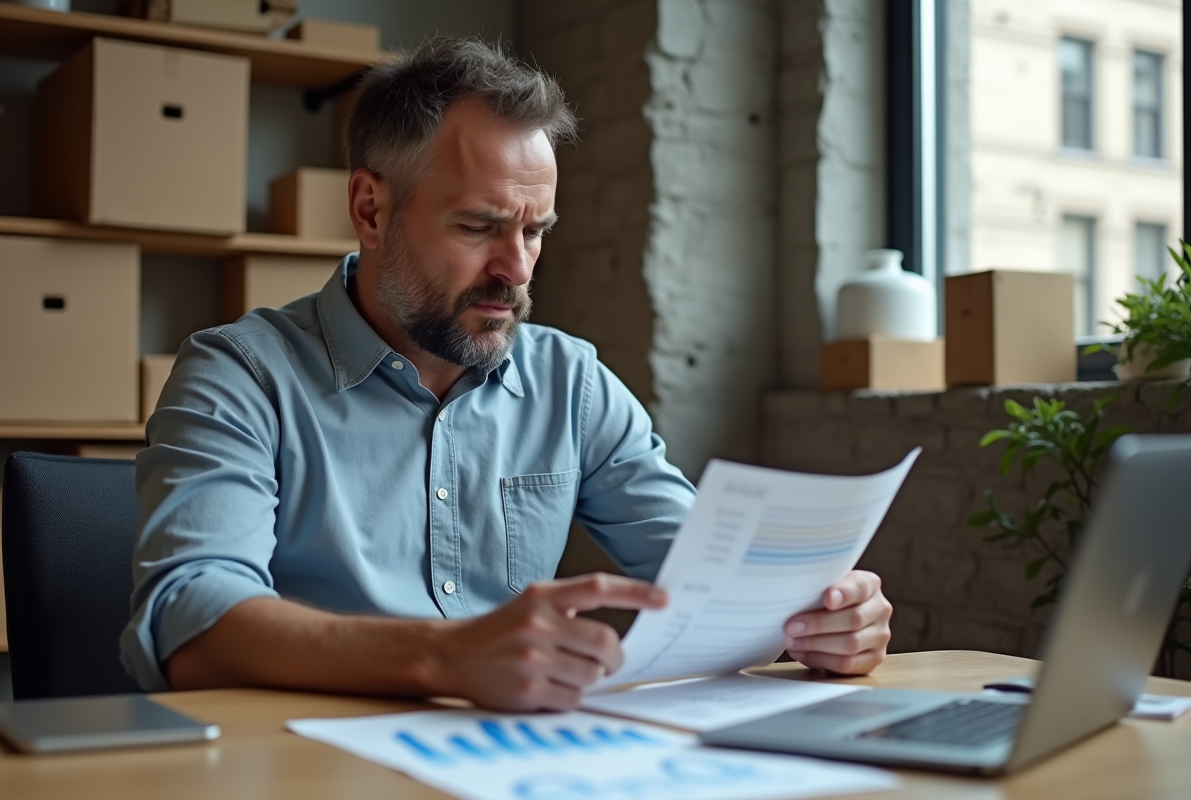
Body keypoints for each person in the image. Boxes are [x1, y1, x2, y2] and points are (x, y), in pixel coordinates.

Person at [120, 38, 893, 711]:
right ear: (370, 209)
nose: (516, 269)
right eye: (479, 226)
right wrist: (444, 657)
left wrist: (820, 616)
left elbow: (717, 584)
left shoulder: (571, 383)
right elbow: (192, 623)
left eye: (534, 230)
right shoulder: (240, 375)